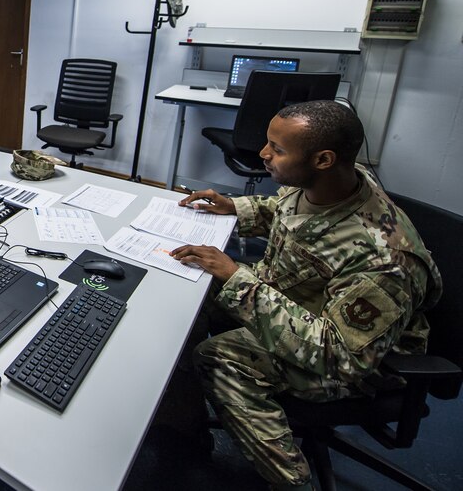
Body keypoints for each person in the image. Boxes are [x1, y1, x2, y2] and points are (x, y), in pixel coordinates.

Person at [169, 100, 441, 490]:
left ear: (324, 159)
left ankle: (291, 481)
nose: (263, 155)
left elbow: (339, 358)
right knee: (188, 296)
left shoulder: (384, 258)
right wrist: (235, 208)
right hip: (300, 305)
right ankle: (184, 430)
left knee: (221, 358)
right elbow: (285, 212)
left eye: (277, 150)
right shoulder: (327, 184)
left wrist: (237, 279)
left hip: (360, 362)